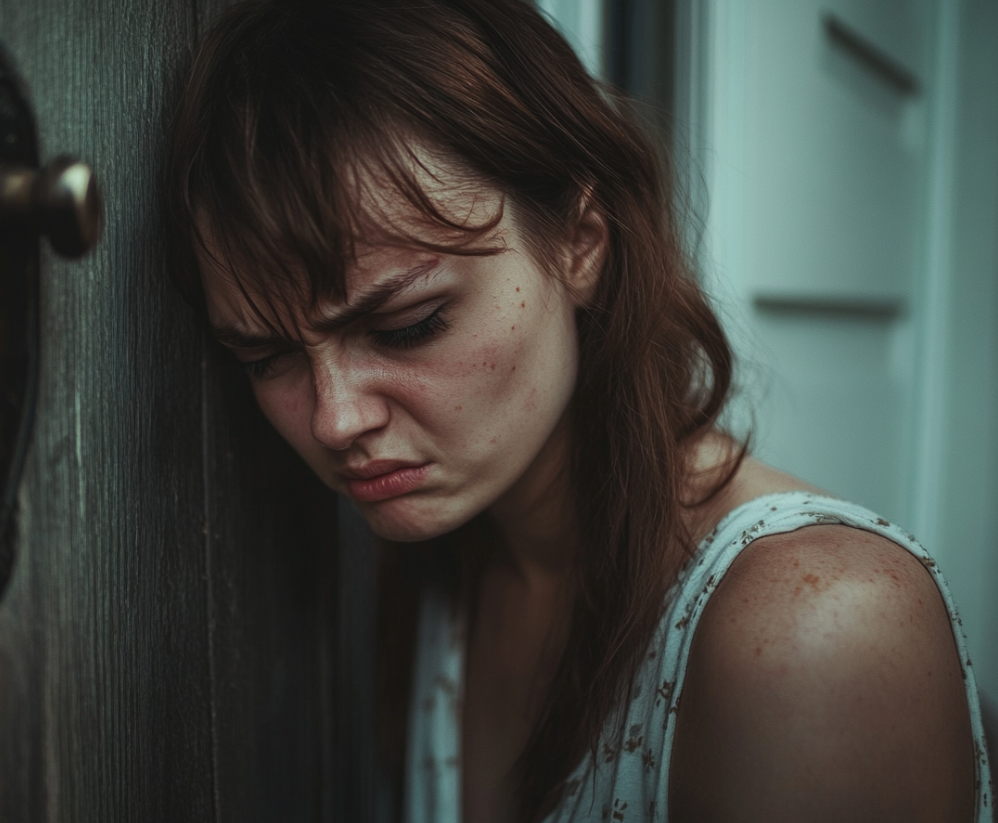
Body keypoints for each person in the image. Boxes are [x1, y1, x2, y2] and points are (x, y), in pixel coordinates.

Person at [164, 1, 992, 820]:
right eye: (265, 357)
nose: (333, 421)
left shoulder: (817, 630)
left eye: (407, 324)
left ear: (580, 243)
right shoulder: (432, 568)